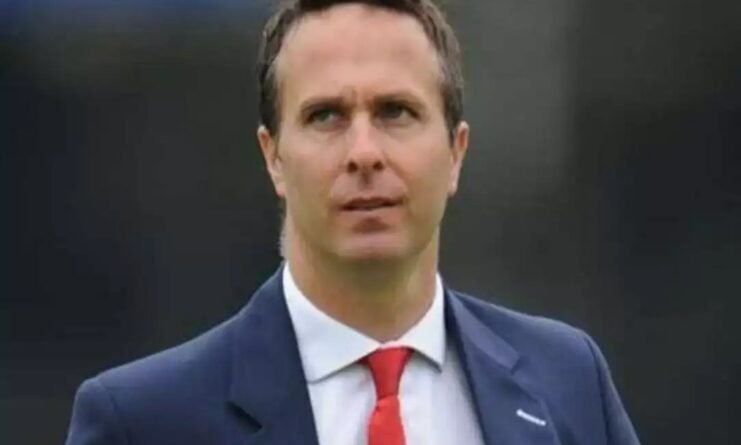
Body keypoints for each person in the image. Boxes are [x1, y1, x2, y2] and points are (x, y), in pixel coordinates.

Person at [65, 1, 640, 444]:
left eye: (396, 111)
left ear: (456, 152)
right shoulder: (143, 422)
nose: (364, 152)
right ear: (273, 157)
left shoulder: (568, 382)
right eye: (326, 116)